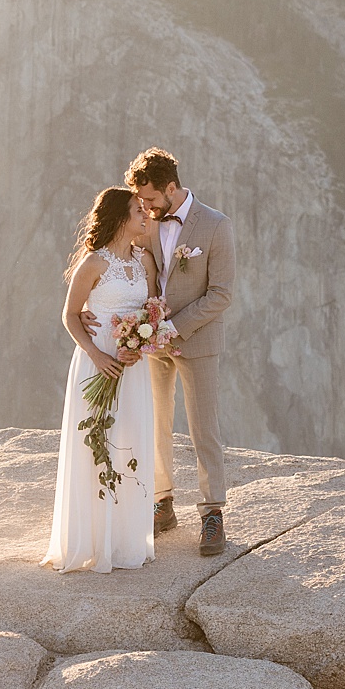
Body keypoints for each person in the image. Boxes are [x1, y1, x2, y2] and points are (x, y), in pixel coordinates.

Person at [43, 187, 162, 573]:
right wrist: (98, 354)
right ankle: (92, 539)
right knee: (93, 442)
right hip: (98, 361)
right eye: (137, 210)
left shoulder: (145, 260)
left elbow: (150, 311)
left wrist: (137, 343)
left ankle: (126, 540)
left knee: (131, 439)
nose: (145, 216)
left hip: (133, 362)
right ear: (119, 218)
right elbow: (70, 314)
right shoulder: (93, 263)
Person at [125, 148, 236, 557]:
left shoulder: (216, 226)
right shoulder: (148, 223)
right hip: (152, 342)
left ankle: (212, 513)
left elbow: (222, 294)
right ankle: (162, 502)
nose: (146, 207)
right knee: (155, 422)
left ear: (171, 188)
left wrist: (173, 327)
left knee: (203, 428)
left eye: (151, 199)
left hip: (198, 341)